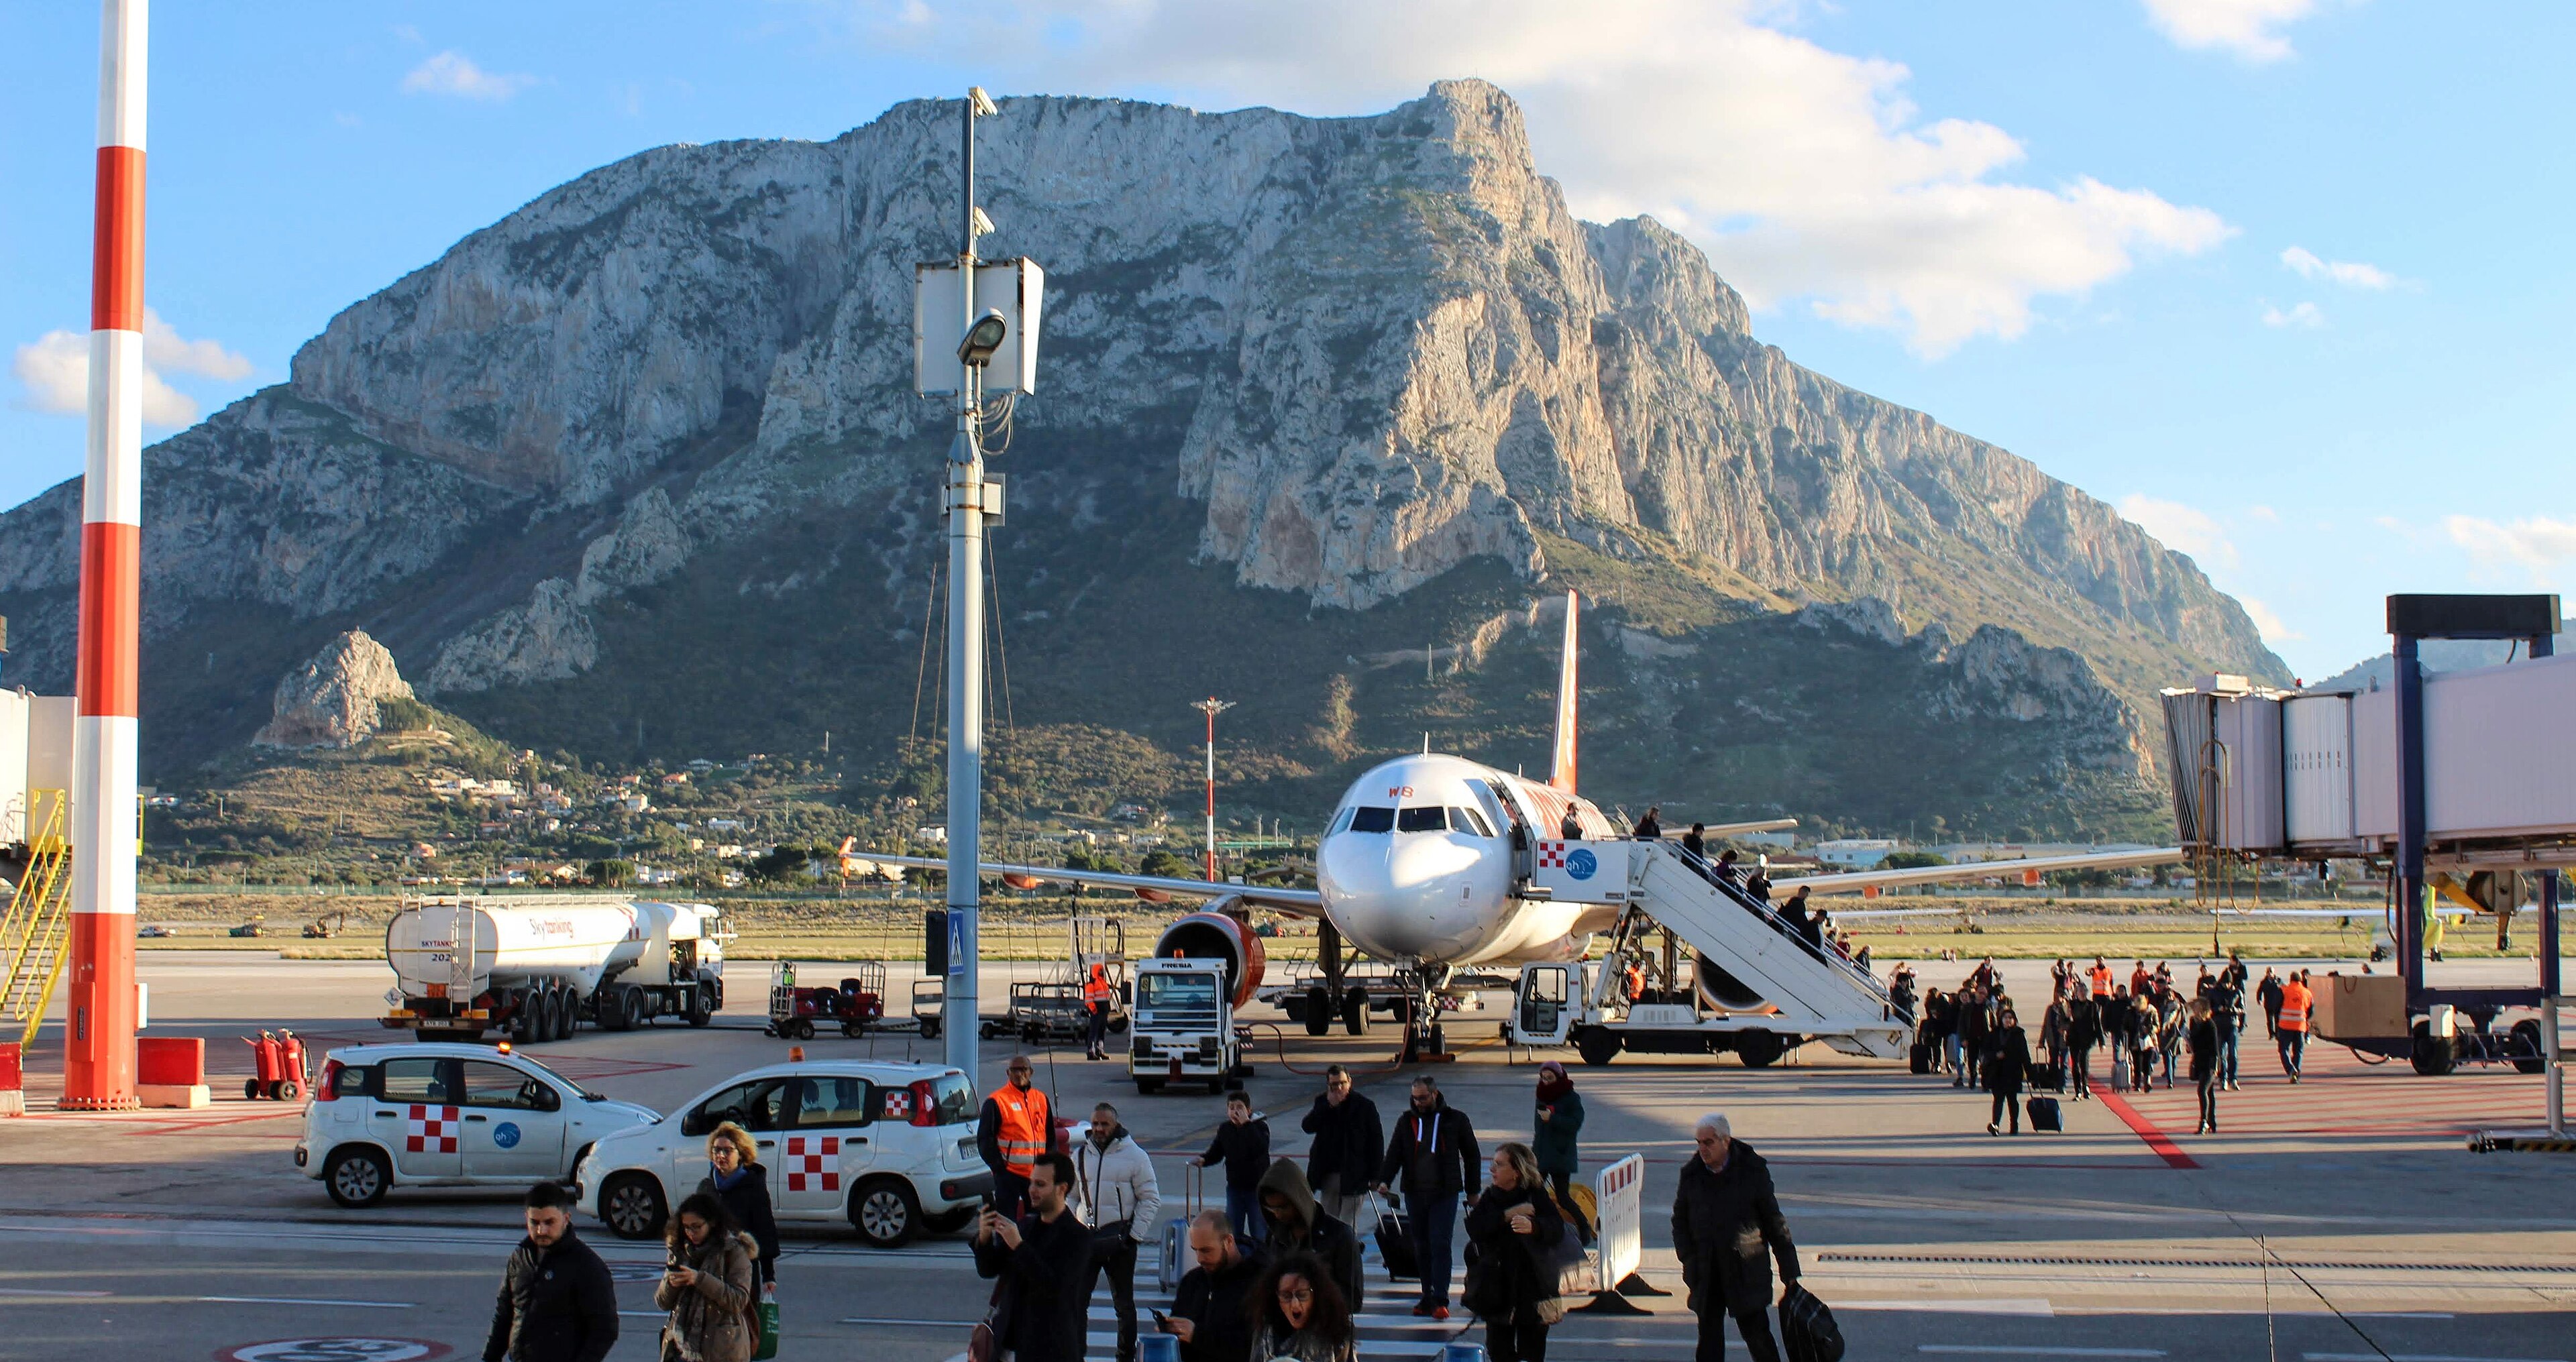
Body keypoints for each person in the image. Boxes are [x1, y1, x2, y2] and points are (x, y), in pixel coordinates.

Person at [1671, 1113, 1796, 1362]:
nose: (1702, 1149)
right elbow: (1680, 1222)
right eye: (1699, 1143)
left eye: (1709, 1143)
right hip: (1707, 1270)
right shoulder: (1692, 1175)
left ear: (1726, 1141)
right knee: (1708, 1342)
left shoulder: (1752, 1171)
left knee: (1758, 1337)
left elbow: (1774, 1221)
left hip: (1745, 1269)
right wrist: (1689, 1259)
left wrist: (1790, 1271)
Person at [1375, 1075, 1481, 1319]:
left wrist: (1473, 1190)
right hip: (1415, 1192)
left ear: (1435, 1094)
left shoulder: (1455, 1120)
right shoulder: (1406, 1121)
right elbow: (1395, 1153)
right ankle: (1426, 1294)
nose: (1419, 1103)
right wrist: (1385, 1180)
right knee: (1421, 1245)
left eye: (1423, 1098)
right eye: (1415, 1098)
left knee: (1440, 1243)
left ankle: (1440, 1297)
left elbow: (1472, 1155)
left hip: (1444, 1192)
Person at [973, 1150, 1093, 1362]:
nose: (1031, 1190)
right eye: (1031, 1183)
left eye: (1040, 1184)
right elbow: (988, 1270)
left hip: (1049, 1350)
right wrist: (984, 1237)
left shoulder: (1078, 1237)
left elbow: (1054, 1288)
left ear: (1062, 1189)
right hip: (1008, 1347)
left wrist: (1018, 1245)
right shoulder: (1026, 1226)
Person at [484, 1181, 618, 1362]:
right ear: (526, 1218)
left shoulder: (587, 1266)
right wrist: (489, 1358)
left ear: (566, 1219)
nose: (541, 1230)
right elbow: (504, 1315)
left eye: (549, 1222)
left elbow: (605, 1329)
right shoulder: (520, 1258)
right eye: (535, 1222)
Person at [1075, 1102, 1162, 1362]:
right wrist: (1075, 1225)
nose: (1099, 1129)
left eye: (1105, 1124)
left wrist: (1134, 1236)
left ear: (1116, 1126)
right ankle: (1076, 1353)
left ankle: (1125, 1356)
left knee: (1123, 1306)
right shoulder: (1080, 1155)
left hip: (1119, 1242)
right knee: (1078, 1303)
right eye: (1096, 1124)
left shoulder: (1135, 1156)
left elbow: (1150, 1198)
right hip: (1087, 1239)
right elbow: (1070, 1196)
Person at [1464, 1143, 1567, 1362]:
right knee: (1499, 1351)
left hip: (1533, 1290)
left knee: (1532, 1353)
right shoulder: (1491, 1197)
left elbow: (1557, 1228)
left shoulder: (1536, 1195)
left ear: (1516, 1172)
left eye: (1499, 1165)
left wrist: (1535, 1227)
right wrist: (1507, 1215)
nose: (1492, 1169)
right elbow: (1475, 1229)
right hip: (1497, 1290)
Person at [654, 1191, 756, 1362]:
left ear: (712, 1223)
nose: (691, 1233)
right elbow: (662, 1302)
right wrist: (671, 1283)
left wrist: (699, 1279)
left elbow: (738, 1300)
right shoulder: (680, 1251)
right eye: (686, 1227)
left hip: (721, 1346)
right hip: (680, 1347)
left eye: (697, 1226)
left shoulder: (733, 1252)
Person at [1259, 1157, 1364, 1315]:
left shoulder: (1340, 1236)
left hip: (1324, 1328)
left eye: (1283, 1207)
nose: (1278, 1215)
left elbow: (1353, 1300)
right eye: (1272, 1209)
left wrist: (1309, 1298)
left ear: (1298, 1200)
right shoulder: (1275, 1238)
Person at [1167, 1210, 1269, 1362]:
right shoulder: (1192, 1282)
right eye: (1195, 1250)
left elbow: (1254, 1348)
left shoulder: (1258, 1282)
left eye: (1206, 1251)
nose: (1200, 1259)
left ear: (1228, 1241)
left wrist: (1196, 1336)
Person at [697, 1122, 780, 1290]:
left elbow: (764, 1229)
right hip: (712, 1267)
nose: (720, 1155)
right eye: (716, 1150)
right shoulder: (707, 1187)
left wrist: (768, 1275)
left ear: (741, 1153)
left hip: (743, 1266)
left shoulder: (753, 1186)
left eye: (727, 1150)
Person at [1300, 1065, 1383, 1230]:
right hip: (1329, 1174)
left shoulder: (1364, 1106)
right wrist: (1328, 1107)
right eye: (1333, 1085)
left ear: (1350, 1082)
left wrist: (1376, 1176)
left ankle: (1347, 1253)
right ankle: (1331, 1254)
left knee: (1347, 1226)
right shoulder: (1323, 1102)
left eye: (1342, 1083)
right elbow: (1307, 1126)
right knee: (1329, 1223)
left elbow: (1376, 1142)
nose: (1338, 1088)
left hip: (1354, 1174)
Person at [977, 1054, 1057, 1219]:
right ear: (1008, 1073)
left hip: (1036, 1174)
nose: (1019, 1074)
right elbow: (985, 1140)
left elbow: (1050, 1136)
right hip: (1009, 1175)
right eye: (1014, 1070)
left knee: (1038, 1222)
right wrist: (1000, 1169)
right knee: (1006, 1222)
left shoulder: (1041, 1099)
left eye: (1023, 1070)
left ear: (1031, 1072)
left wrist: (1049, 1166)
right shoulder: (996, 1101)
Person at [1250, 1250, 1358, 1362]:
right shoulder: (1265, 1330)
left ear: (1316, 1295)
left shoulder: (1335, 1331)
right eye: (1286, 1296)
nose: (1295, 1304)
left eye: (1302, 1295)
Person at [1201, 1090, 1274, 1240]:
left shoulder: (1259, 1127)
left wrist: (1246, 1125)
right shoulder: (1225, 1129)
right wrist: (1204, 1160)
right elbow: (1217, 1151)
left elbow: (1260, 1147)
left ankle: (1263, 1259)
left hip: (1257, 1189)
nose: (1235, 1111)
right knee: (1233, 1231)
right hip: (1235, 1188)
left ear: (1248, 1110)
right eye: (1231, 1108)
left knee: (1259, 1230)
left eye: (1239, 1107)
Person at [1532, 1060, 1585, 1208]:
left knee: (1563, 1197)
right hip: (1541, 1153)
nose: (1546, 1082)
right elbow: (1538, 1128)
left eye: (1550, 1078)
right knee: (1534, 1193)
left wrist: (1552, 1119)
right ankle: (1544, 1223)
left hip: (1560, 1154)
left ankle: (1583, 1225)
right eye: (1543, 1078)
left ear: (1559, 1077)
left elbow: (1575, 1123)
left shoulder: (1571, 1097)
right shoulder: (1541, 1094)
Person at [1984, 1007, 2030, 1135]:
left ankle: (2014, 1125)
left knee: (2012, 1100)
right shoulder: (1994, 1033)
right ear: (2001, 1019)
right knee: (1998, 1099)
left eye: (2011, 1018)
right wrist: (1995, 1055)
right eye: (2005, 1018)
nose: (2008, 1021)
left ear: (2014, 1020)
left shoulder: (2019, 1034)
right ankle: (1996, 1124)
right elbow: (1986, 1052)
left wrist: (2030, 1073)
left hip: (2013, 1072)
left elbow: (2025, 1055)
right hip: (1997, 1072)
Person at [2187, 997, 2222, 1134]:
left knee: (2202, 1090)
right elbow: (2194, 1045)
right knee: (2209, 1092)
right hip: (2199, 1061)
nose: (2194, 1010)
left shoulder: (2210, 1025)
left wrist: (2215, 1067)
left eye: (2197, 1007)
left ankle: (2203, 1122)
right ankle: (2212, 1121)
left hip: (2210, 1063)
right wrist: (2189, 1045)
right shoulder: (2193, 1023)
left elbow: (2215, 1049)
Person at [2209, 968, 2245, 1091]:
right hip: (2219, 1026)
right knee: (2221, 1055)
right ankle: (2223, 1078)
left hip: (2232, 1025)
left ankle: (2233, 1078)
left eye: (2228, 983)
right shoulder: (2214, 992)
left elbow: (2242, 1009)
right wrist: (2217, 1009)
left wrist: (2233, 1010)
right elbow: (2209, 1008)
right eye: (2225, 983)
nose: (2227, 985)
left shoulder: (2237, 993)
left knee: (2233, 1053)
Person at [2277, 969, 2312, 1082]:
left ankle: (2291, 1070)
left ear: (2291, 979)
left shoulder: (2284, 990)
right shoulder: (2307, 993)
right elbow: (2311, 1011)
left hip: (2285, 1025)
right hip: (2300, 1026)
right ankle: (2296, 1072)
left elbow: (2276, 1006)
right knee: (2298, 1051)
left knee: (2283, 1049)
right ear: (2301, 980)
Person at [2066, 986, 2100, 1100]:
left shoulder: (2092, 1006)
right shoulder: (2071, 1004)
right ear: (2076, 993)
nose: (2081, 993)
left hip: (2087, 1038)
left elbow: (2097, 1023)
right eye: (2079, 991)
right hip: (2074, 1038)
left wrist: (2101, 1042)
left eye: (2083, 991)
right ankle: (2078, 1091)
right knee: (2075, 1065)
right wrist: (2067, 1014)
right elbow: (2066, 1019)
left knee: (2084, 1063)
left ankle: (2085, 1085)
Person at [1955, 985, 1989, 1091]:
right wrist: (1963, 1038)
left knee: (1986, 1061)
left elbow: (1993, 1022)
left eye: (1984, 994)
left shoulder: (1988, 1006)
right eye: (1981, 993)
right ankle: (1973, 1077)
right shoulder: (1968, 1007)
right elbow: (1961, 1024)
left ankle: (1985, 1082)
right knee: (1972, 1060)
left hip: (1985, 1038)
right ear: (1976, 993)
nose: (1983, 996)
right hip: (1972, 1037)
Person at [1084, 962, 1116, 1061]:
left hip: (1104, 1010)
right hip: (1096, 1011)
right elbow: (1089, 999)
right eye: (1100, 970)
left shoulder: (1103, 983)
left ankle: (1100, 1051)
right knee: (1093, 1032)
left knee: (1101, 1032)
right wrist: (1093, 1010)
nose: (1102, 972)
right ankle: (1091, 1052)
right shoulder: (1092, 984)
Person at [2257, 968, 2284, 1039]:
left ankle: (2278, 1034)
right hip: (2268, 1004)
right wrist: (2259, 999)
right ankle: (2271, 1034)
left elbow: (2284, 989)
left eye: (2271, 972)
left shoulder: (2279, 981)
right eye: (2268, 972)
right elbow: (2259, 991)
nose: (2269, 974)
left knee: (2277, 1020)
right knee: (2270, 1020)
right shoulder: (2264, 982)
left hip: (2278, 1004)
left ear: (2274, 973)